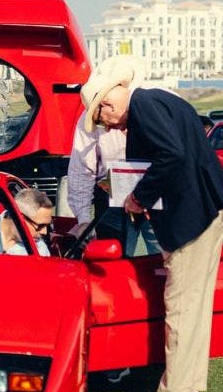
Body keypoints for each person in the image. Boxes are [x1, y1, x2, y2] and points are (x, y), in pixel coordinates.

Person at [83, 63, 223, 392]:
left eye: (105, 118)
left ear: (107, 103)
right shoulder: (159, 101)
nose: (110, 126)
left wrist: (138, 195)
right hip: (208, 212)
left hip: (192, 218)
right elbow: (178, 154)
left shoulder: (144, 106)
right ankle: (189, 386)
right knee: (194, 307)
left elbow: (172, 155)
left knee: (181, 306)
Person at [64, 55, 161, 258]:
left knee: (164, 260)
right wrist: (83, 219)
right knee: (112, 262)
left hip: (156, 196)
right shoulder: (87, 120)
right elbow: (82, 169)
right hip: (112, 200)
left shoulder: (152, 107)